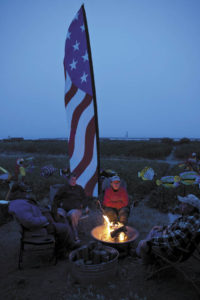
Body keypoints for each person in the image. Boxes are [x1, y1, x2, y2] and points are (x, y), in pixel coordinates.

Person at [8, 183, 80, 258]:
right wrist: (45, 219)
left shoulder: (19, 201)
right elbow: (29, 221)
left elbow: (33, 210)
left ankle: (69, 245)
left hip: (41, 223)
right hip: (38, 229)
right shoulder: (19, 205)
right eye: (25, 191)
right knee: (63, 228)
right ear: (19, 192)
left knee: (62, 219)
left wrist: (46, 210)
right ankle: (62, 252)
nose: (26, 193)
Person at [136, 194, 200, 261]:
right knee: (155, 229)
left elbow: (176, 238)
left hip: (172, 250)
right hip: (172, 241)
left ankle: (146, 260)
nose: (180, 205)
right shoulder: (189, 217)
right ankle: (140, 252)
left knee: (143, 243)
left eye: (184, 204)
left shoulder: (191, 220)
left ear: (191, 208)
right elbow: (178, 226)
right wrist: (164, 227)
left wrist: (151, 241)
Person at [52, 172, 89, 242]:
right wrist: (57, 206)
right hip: (64, 209)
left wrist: (85, 206)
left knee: (73, 214)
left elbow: (85, 198)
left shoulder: (79, 188)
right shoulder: (63, 188)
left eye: (75, 180)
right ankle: (63, 236)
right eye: (72, 180)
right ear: (68, 180)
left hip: (75, 209)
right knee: (58, 213)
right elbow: (56, 198)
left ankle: (75, 236)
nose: (73, 181)